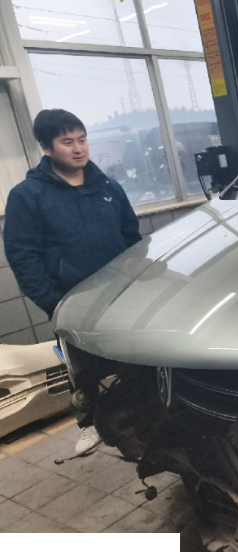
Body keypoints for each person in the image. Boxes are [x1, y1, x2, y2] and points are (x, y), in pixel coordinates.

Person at [3, 109, 142, 454]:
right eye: (67, 142)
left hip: (121, 297)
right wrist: (54, 303)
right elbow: (23, 257)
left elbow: (133, 240)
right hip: (72, 302)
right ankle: (90, 423)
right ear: (46, 147)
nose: (79, 149)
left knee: (136, 361)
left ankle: (142, 416)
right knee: (82, 370)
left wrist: (139, 282)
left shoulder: (108, 187)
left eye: (82, 140)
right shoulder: (27, 196)